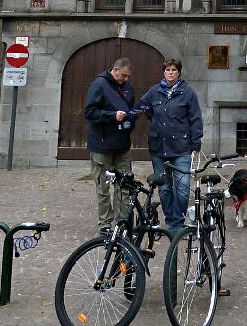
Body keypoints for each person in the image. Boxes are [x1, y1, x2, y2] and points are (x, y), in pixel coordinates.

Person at [131, 58, 202, 231]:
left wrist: (196, 144)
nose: (170, 72)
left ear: (179, 73)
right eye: (168, 70)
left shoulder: (187, 92)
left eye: (174, 70)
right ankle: (171, 221)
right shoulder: (154, 91)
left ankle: (178, 221)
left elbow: (195, 119)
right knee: (164, 188)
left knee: (183, 188)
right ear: (164, 72)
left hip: (181, 148)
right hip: (158, 148)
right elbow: (143, 106)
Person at [83, 56, 136, 234]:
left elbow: (131, 109)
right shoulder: (99, 85)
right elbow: (90, 112)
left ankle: (122, 223)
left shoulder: (128, 87)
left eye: (128, 76)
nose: (126, 80)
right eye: (123, 76)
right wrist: (112, 116)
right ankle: (105, 224)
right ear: (114, 70)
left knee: (125, 185)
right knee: (103, 187)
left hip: (122, 144)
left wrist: (131, 119)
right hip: (102, 144)